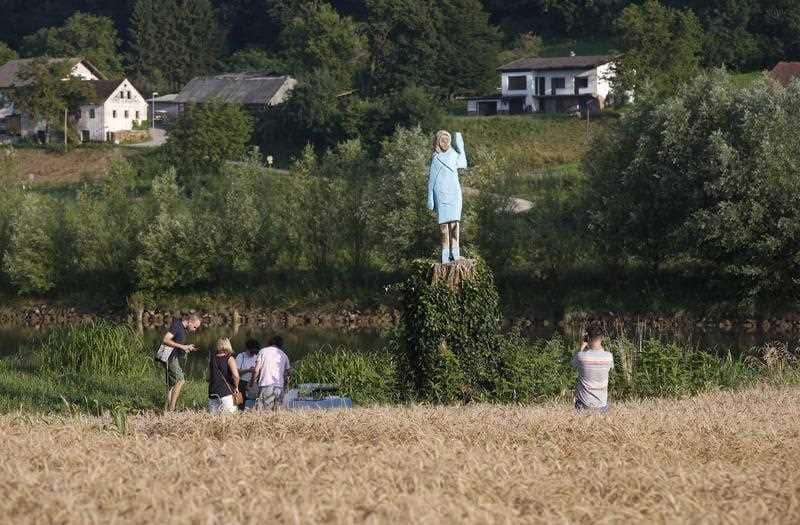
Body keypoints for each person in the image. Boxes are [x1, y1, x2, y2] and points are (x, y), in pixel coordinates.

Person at [427, 130, 468, 264]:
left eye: (447, 140)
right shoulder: (436, 158)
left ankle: (455, 253)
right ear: (438, 141)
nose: (445, 143)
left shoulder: (454, 155)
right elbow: (431, 180)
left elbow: (463, 164)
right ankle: (445, 255)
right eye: (442, 140)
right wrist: (430, 198)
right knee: (444, 227)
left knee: (455, 225)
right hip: (441, 194)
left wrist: (460, 144)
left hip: (454, 194)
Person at [162, 314, 202, 411]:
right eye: (195, 327)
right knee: (180, 380)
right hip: (168, 356)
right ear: (189, 322)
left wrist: (187, 347)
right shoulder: (177, 325)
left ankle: (168, 408)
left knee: (171, 383)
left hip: (170, 356)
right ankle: (172, 409)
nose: (195, 329)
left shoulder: (182, 328)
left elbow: (177, 344)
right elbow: (166, 339)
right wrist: (183, 347)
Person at [571, 326, 614, 412]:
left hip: (584, 405)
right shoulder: (608, 356)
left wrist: (582, 347)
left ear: (588, 338)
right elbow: (608, 366)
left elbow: (572, 364)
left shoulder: (581, 356)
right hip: (602, 406)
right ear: (602, 338)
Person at [252, 335, 291, 411]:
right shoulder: (283, 355)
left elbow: (256, 370)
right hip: (279, 387)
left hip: (266, 385)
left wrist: (252, 382)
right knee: (277, 412)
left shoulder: (263, 351)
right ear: (281, 344)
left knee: (263, 411)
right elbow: (289, 372)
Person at [208, 337, 240, 414]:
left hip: (213, 391)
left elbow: (209, 375)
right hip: (226, 392)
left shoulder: (212, 359)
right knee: (230, 418)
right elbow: (236, 376)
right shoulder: (230, 358)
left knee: (213, 419)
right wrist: (236, 387)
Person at [235, 338, 260, 410]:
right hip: (241, 383)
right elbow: (236, 372)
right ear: (247, 349)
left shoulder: (256, 357)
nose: (253, 354)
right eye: (252, 352)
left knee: (252, 404)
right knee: (238, 404)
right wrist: (248, 370)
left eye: (255, 352)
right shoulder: (240, 356)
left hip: (253, 383)